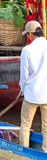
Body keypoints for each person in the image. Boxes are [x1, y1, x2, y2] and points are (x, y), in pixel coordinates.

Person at [19, 20, 47, 148]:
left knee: (25, 125)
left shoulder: (27, 50)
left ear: (31, 34)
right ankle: (45, 153)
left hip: (31, 93)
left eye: (28, 35)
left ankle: (23, 151)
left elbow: (24, 75)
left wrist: (22, 90)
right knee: (46, 128)